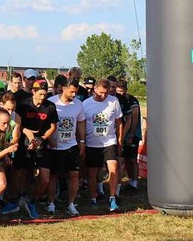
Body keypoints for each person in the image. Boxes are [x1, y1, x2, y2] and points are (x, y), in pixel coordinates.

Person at [12, 79, 57, 218]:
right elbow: (16, 123)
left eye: (45, 94)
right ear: (33, 91)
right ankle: (17, 198)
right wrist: (27, 133)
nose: (43, 97)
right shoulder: (23, 105)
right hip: (24, 142)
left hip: (41, 143)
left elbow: (53, 127)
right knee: (19, 172)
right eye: (40, 94)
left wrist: (42, 138)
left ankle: (32, 200)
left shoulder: (50, 106)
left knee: (45, 178)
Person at [82, 78, 123, 212]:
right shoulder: (86, 104)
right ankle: (93, 198)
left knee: (113, 168)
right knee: (92, 172)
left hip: (109, 141)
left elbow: (119, 121)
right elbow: (81, 123)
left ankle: (112, 198)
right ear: (95, 90)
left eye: (106, 93)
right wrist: (82, 141)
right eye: (100, 92)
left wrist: (120, 139)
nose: (103, 95)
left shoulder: (114, 101)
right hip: (92, 142)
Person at [47, 82, 85, 216]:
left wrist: (81, 141)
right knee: (53, 175)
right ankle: (51, 203)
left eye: (76, 92)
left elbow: (81, 122)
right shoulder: (51, 102)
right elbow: (45, 122)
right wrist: (49, 139)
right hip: (54, 146)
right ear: (63, 89)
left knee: (74, 175)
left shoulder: (78, 104)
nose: (74, 95)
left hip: (71, 145)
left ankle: (71, 203)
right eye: (72, 92)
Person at [115, 80, 142, 191]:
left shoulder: (132, 100)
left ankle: (134, 183)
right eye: (118, 91)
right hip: (123, 134)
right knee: (124, 159)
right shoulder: (117, 100)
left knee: (132, 159)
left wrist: (131, 135)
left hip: (133, 134)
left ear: (126, 90)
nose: (120, 93)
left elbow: (134, 119)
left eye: (122, 91)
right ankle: (129, 180)